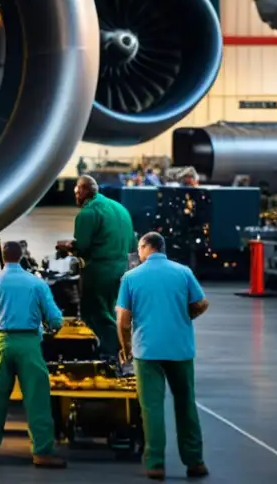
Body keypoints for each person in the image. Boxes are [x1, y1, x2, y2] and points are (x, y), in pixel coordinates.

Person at [117, 232, 209, 481]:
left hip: (147, 351)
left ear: (147, 247)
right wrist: (184, 317)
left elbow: (123, 320)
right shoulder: (183, 272)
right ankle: (195, 461)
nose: (138, 253)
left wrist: (125, 348)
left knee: (152, 408)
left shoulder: (131, 277)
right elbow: (201, 304)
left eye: (139, 248)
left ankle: (156, 464)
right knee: (186, 404)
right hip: (180, 349)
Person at [0, 241, 66, 469]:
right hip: (29, 343)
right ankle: (42, 453)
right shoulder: (37, 284)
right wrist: (51, 328)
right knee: (37, 399)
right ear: (22, 255)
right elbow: (55, 319)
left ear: (3, 257)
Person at [57, 175, 136, 358]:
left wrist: (66, 246)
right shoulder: (120, 208)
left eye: (77, 191)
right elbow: (133, 244)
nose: (75, 195)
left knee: (96, 313)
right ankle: (121, 348)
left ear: (83, 190)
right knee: (115, 311)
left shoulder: (88, 212)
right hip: (122, 269)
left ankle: (113, 352)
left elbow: (82, 245)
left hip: (99, 271)